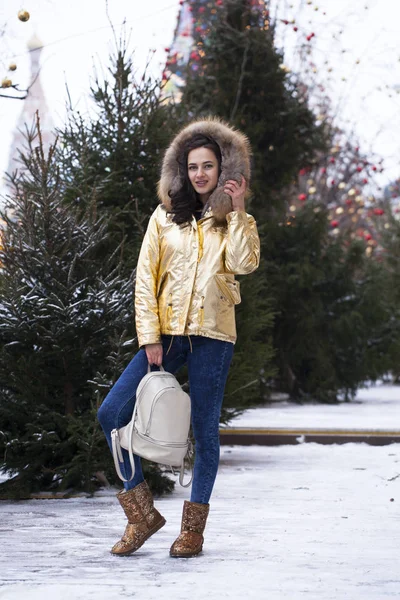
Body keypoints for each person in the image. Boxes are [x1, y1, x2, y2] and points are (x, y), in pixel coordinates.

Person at [97, 118, 260, 558]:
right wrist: (150, 336)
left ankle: (193, 530)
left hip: (213, 336)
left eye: (209, 165)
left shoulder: (232, 220)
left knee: (205, 432)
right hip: (166, 336)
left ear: (223, 169)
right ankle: (141, 515)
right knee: (111, 412)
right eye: (193, 166)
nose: (201, 174)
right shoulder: (165, 216)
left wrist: (239, 208)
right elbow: (144, 280)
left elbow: (245, 264)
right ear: (182, 170)